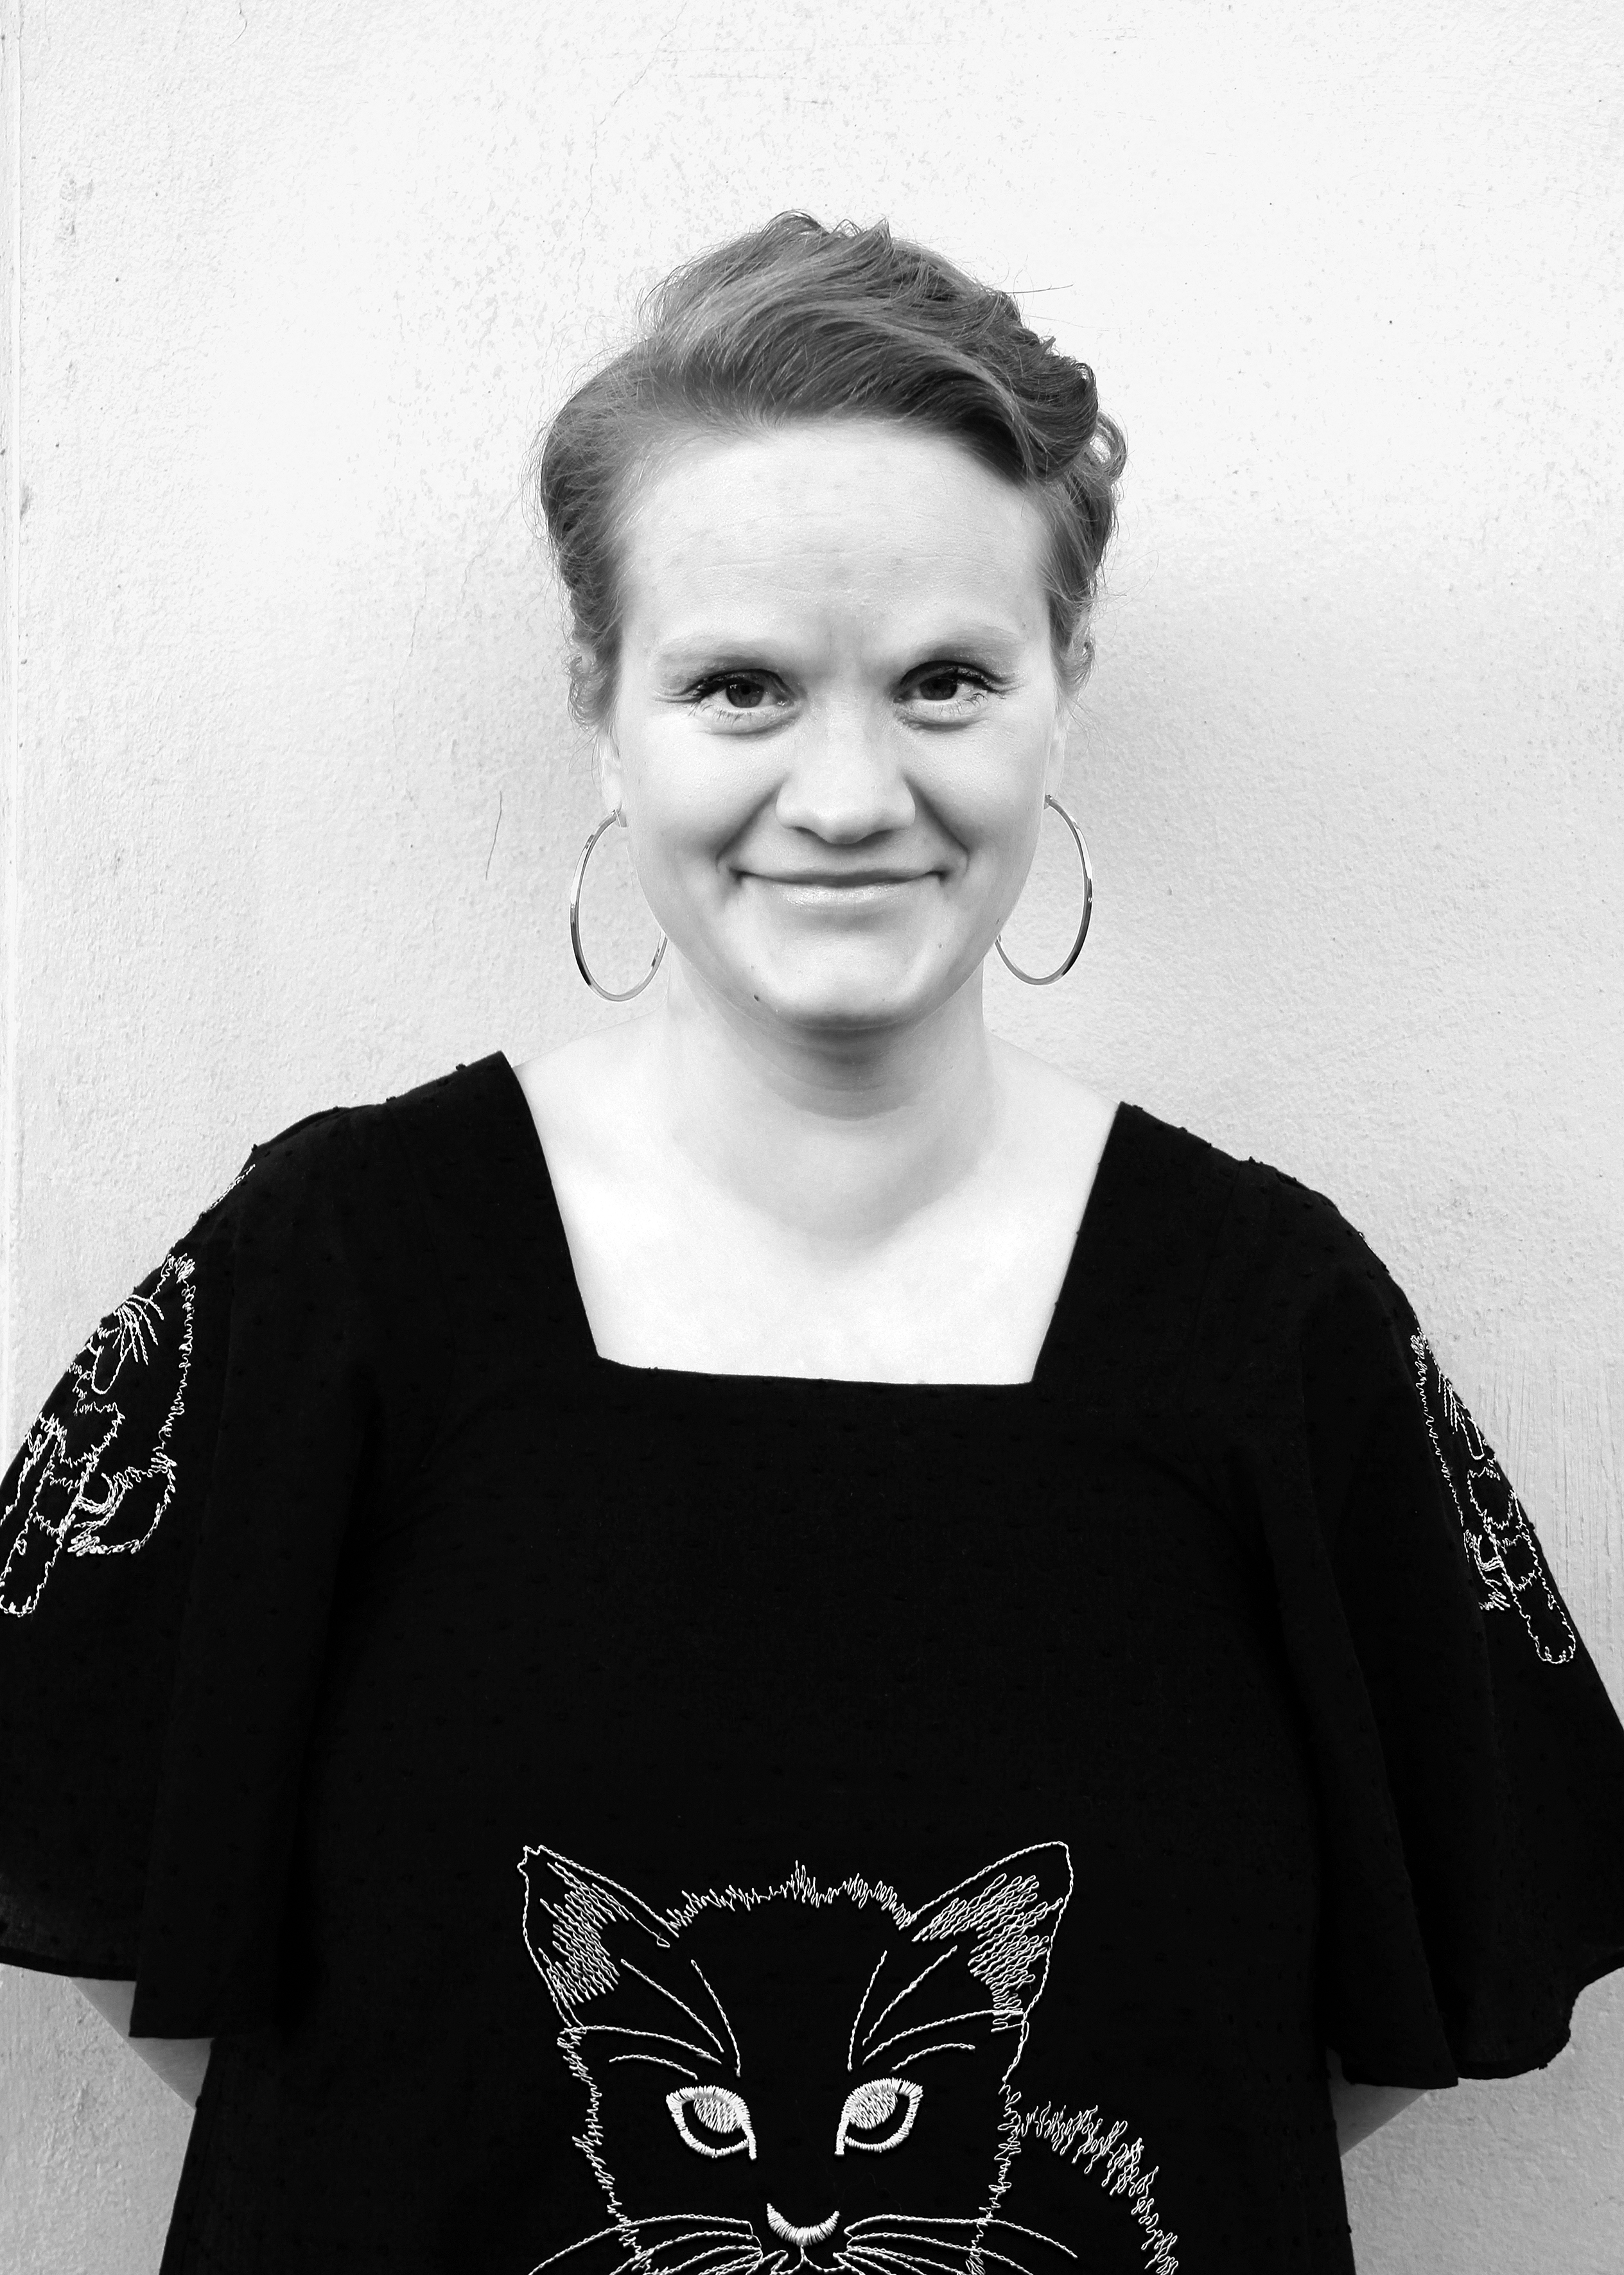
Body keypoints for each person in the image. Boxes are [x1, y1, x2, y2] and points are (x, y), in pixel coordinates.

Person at [2, 211, 1621, 2275]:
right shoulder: (332, 1276)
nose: (847, 794)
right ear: (601, 706)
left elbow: (1347, 2032)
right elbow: (122, 1894)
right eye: (740, 686)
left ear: (1060, 694)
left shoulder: (1272, 1322)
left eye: (944, 679)